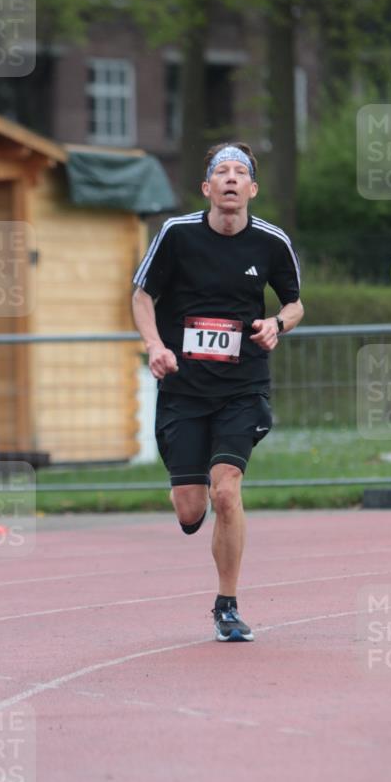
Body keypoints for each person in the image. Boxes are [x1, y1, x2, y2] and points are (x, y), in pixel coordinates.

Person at [132, 142, 304, 643]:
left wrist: (277, 323)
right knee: (191, 510)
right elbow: (143, 294)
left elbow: (295, 304)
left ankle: (227, 604)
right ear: (207, 187)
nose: (231, 179)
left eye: (240, 172)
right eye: (221, 172)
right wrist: (154, 345)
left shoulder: (272, 242)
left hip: (242, 386)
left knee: (226, 490)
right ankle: (192, 496)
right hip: (183, 387)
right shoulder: (176, 234)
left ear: (252, 188)